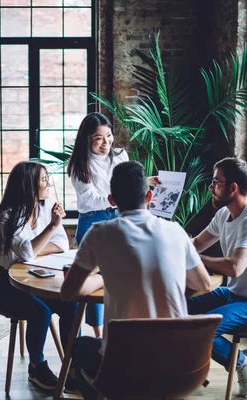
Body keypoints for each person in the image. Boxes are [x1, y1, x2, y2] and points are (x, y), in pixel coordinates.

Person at [61, 161, 211, 399]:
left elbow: (68, 292)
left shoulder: (99, 234)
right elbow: (203, 285)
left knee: (80, 347)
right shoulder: (176, 231)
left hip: (122, 369)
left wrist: (103, 277)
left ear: (112, 200)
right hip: (180, 368)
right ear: (149, 196)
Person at [188, 157, 247, 397]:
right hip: (235, 293)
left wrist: (195, 260)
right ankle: (186, 369)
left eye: (215, 182)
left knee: (201, 330)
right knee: (176, 306)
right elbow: (196, 244)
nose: (210, 187)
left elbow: (235, 267)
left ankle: (242, 360)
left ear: (233, 188)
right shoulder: (223, 215)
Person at [0, 161, 77, 391]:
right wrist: (51, 229)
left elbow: (61, 245)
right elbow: (28, 251)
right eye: (44, 179)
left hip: (31, 274)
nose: (49, 184)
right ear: (29, 185)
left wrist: (33, 252)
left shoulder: (44, 207)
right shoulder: (8, 216)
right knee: (41, 312)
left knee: (71, 303)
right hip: (2, 281)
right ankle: (37, 366)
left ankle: (74, 366)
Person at [67, 112, 158, 337]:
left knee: (118, 275)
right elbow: (91, 198)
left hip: (119, 214)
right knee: (90, 278)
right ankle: (95, 333)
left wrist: (142, 183)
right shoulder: (79, 165)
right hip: (92, 219)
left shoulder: (120, 155)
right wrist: (120, 195)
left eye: (108, 136)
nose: (106, 142)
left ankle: (116, 327)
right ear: (87, 139)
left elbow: (126, 182)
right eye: (98, 138)